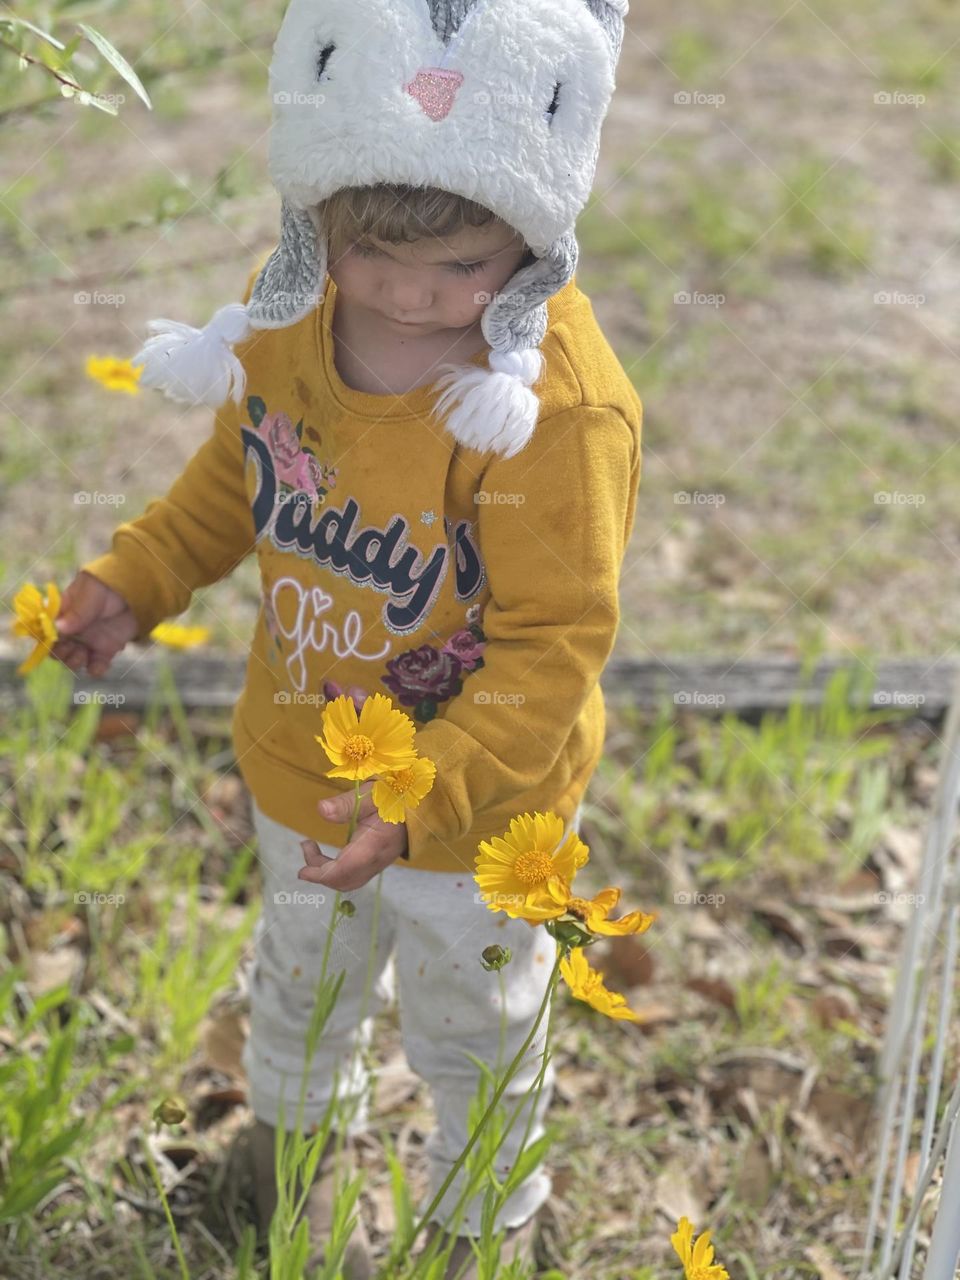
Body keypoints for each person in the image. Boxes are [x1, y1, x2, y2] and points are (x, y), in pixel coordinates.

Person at [51, 0, 639, 1274]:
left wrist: (425, 794)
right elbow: (241, 477)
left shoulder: (554, 413)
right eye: (377, 257)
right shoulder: (294, 316)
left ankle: (481, 1230)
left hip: (475, 802)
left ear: (534, 238)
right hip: (305, 752)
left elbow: (553, 642)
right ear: (314, 213)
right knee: (302, 977)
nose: (417, 296)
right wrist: (139, 576)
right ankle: (292, 1164)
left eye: (465, 269)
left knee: (472, 1014)